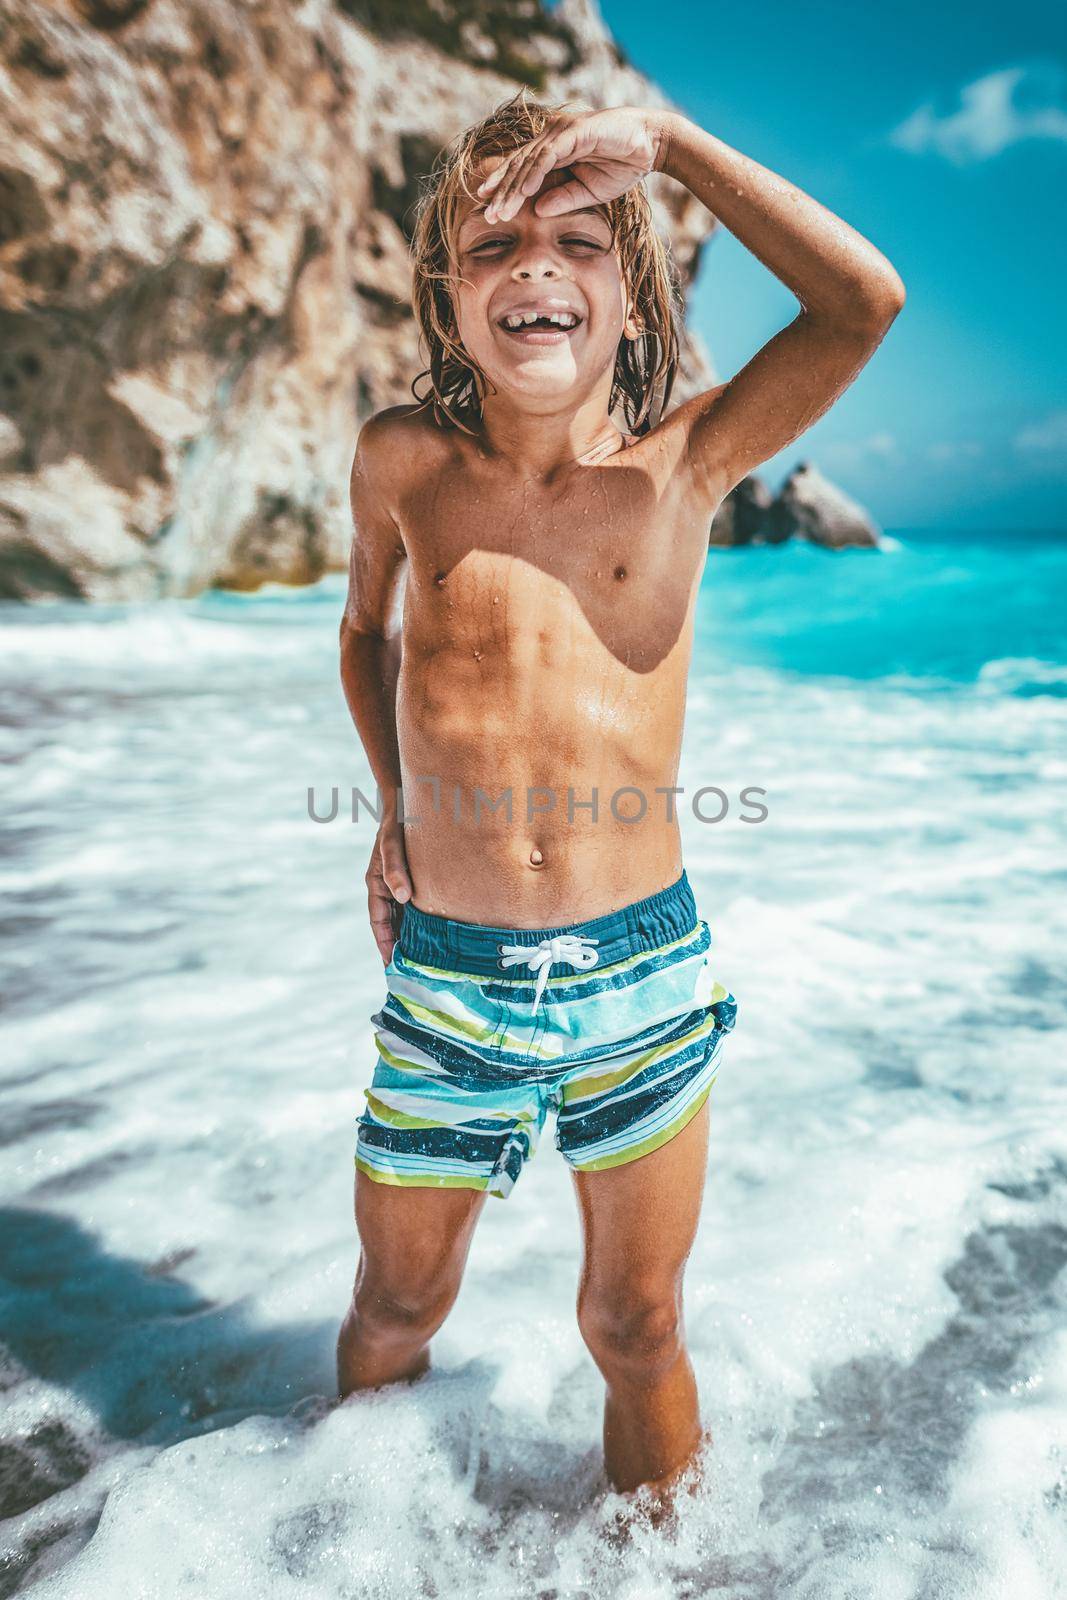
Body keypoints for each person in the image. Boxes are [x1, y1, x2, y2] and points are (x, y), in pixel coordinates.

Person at [336, 92, 904, 1507]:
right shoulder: (404, 461)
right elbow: (363, 635)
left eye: (579, 242)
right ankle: (330, 1548)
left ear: (634, 299)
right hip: (450, 981)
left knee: (634, 1324)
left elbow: (861, 303)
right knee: (398, 1311)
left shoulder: (684, 470)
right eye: (494, 246)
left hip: (638, 978)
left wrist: (677, 149)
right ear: (446, 299)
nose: (535, 266)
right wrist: (392, 811)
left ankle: (673, 1574)